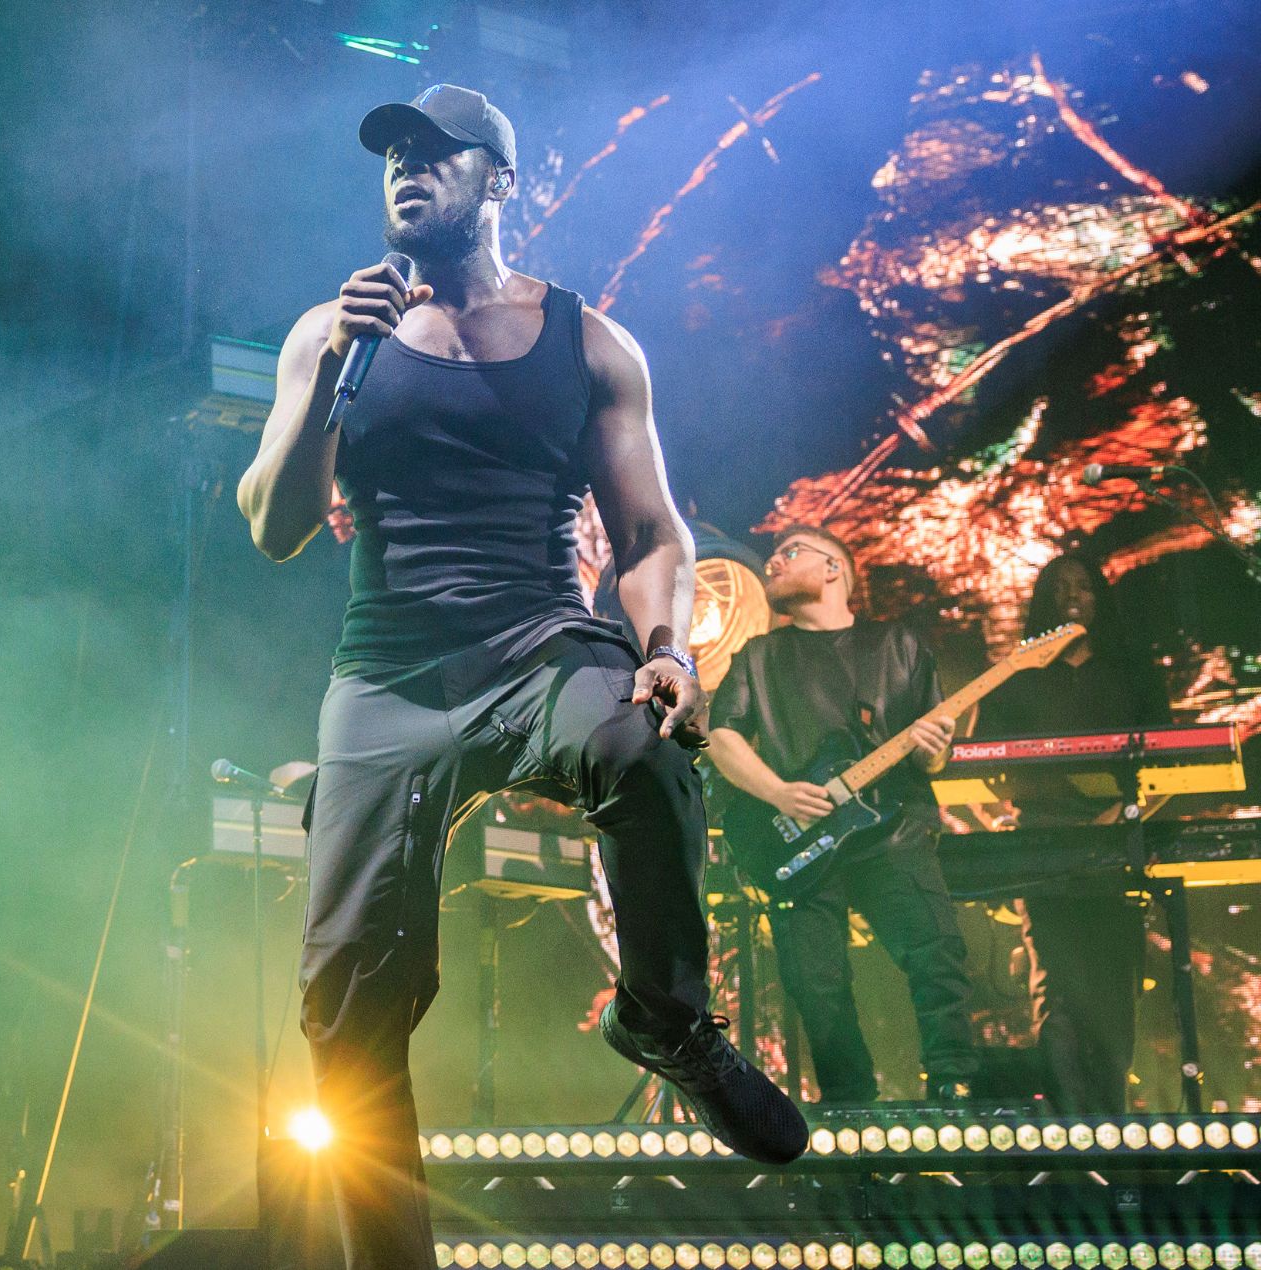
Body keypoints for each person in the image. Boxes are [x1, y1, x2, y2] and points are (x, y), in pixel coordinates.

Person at [236, 83, 806, 1270]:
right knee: (344, 1006)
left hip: (539, 643)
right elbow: (273, 527)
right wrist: (337, 360)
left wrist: (659, 649)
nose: (405, 166)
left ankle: (662, 1022)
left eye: (435, 151)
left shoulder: (587, 342)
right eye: (390, 151)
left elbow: (651, 535)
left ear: (498, 180)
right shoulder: (328, 334)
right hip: (388, 675)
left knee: (641, 752)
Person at [707, 525, 981, 1103]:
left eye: (790, 553)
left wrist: (935, 750)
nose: (773, 562)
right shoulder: (758, 656)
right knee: (815, 983)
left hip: (893, 831)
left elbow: (935, 758)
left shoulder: (899, 647)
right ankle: (848, 1104)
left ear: (834, 569)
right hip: (797, 842)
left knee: (936, 956)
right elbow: (721, 736)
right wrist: (779, 792)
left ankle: (954, 1086)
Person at [976, 551, 1167, 1114]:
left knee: (1112, 984)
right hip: (1041, 846)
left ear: (1100, 597)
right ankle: (1067, 1121)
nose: (1072, 596)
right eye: (1059, 588)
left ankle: (1110, 1115)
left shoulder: (1133, 672)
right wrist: (1007, 814)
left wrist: (1120, 817)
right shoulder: (1018, 676)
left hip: (1118, 843)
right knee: (1056, 984)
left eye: (1083, 586)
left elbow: (1169, 765)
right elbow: (974, 761)